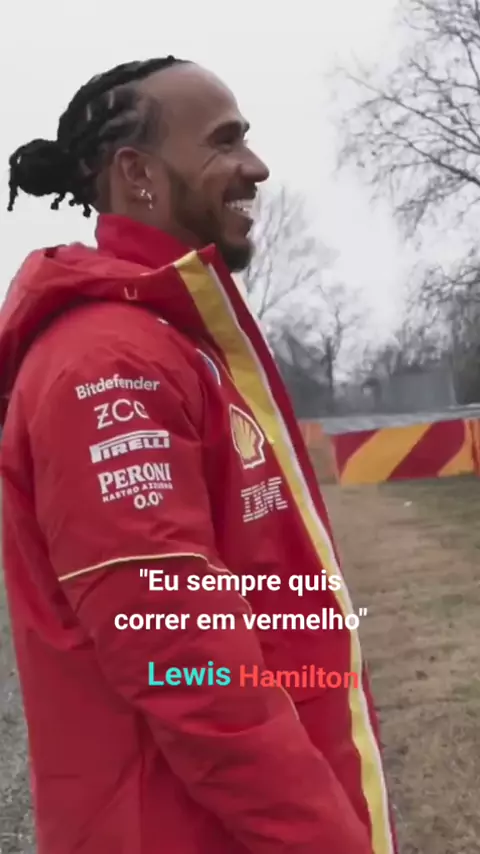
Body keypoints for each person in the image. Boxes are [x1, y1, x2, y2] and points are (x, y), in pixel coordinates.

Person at [0, 56, 397, 854]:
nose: (257, 166)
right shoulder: (107, 361)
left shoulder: (173, 341)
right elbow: (187, 667)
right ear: (137, 175)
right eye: (225, 141)